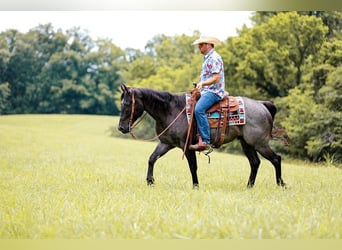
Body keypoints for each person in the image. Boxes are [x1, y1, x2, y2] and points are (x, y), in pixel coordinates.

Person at [189, 36, 226, 151]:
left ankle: (205, 141)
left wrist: (202, 84)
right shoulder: (207, 58)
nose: (199, 47)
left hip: (214, 92)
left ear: (208, 45)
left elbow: (215, 78)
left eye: (201, 44)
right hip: (206, 90)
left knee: (198, 109)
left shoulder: (214, 58)